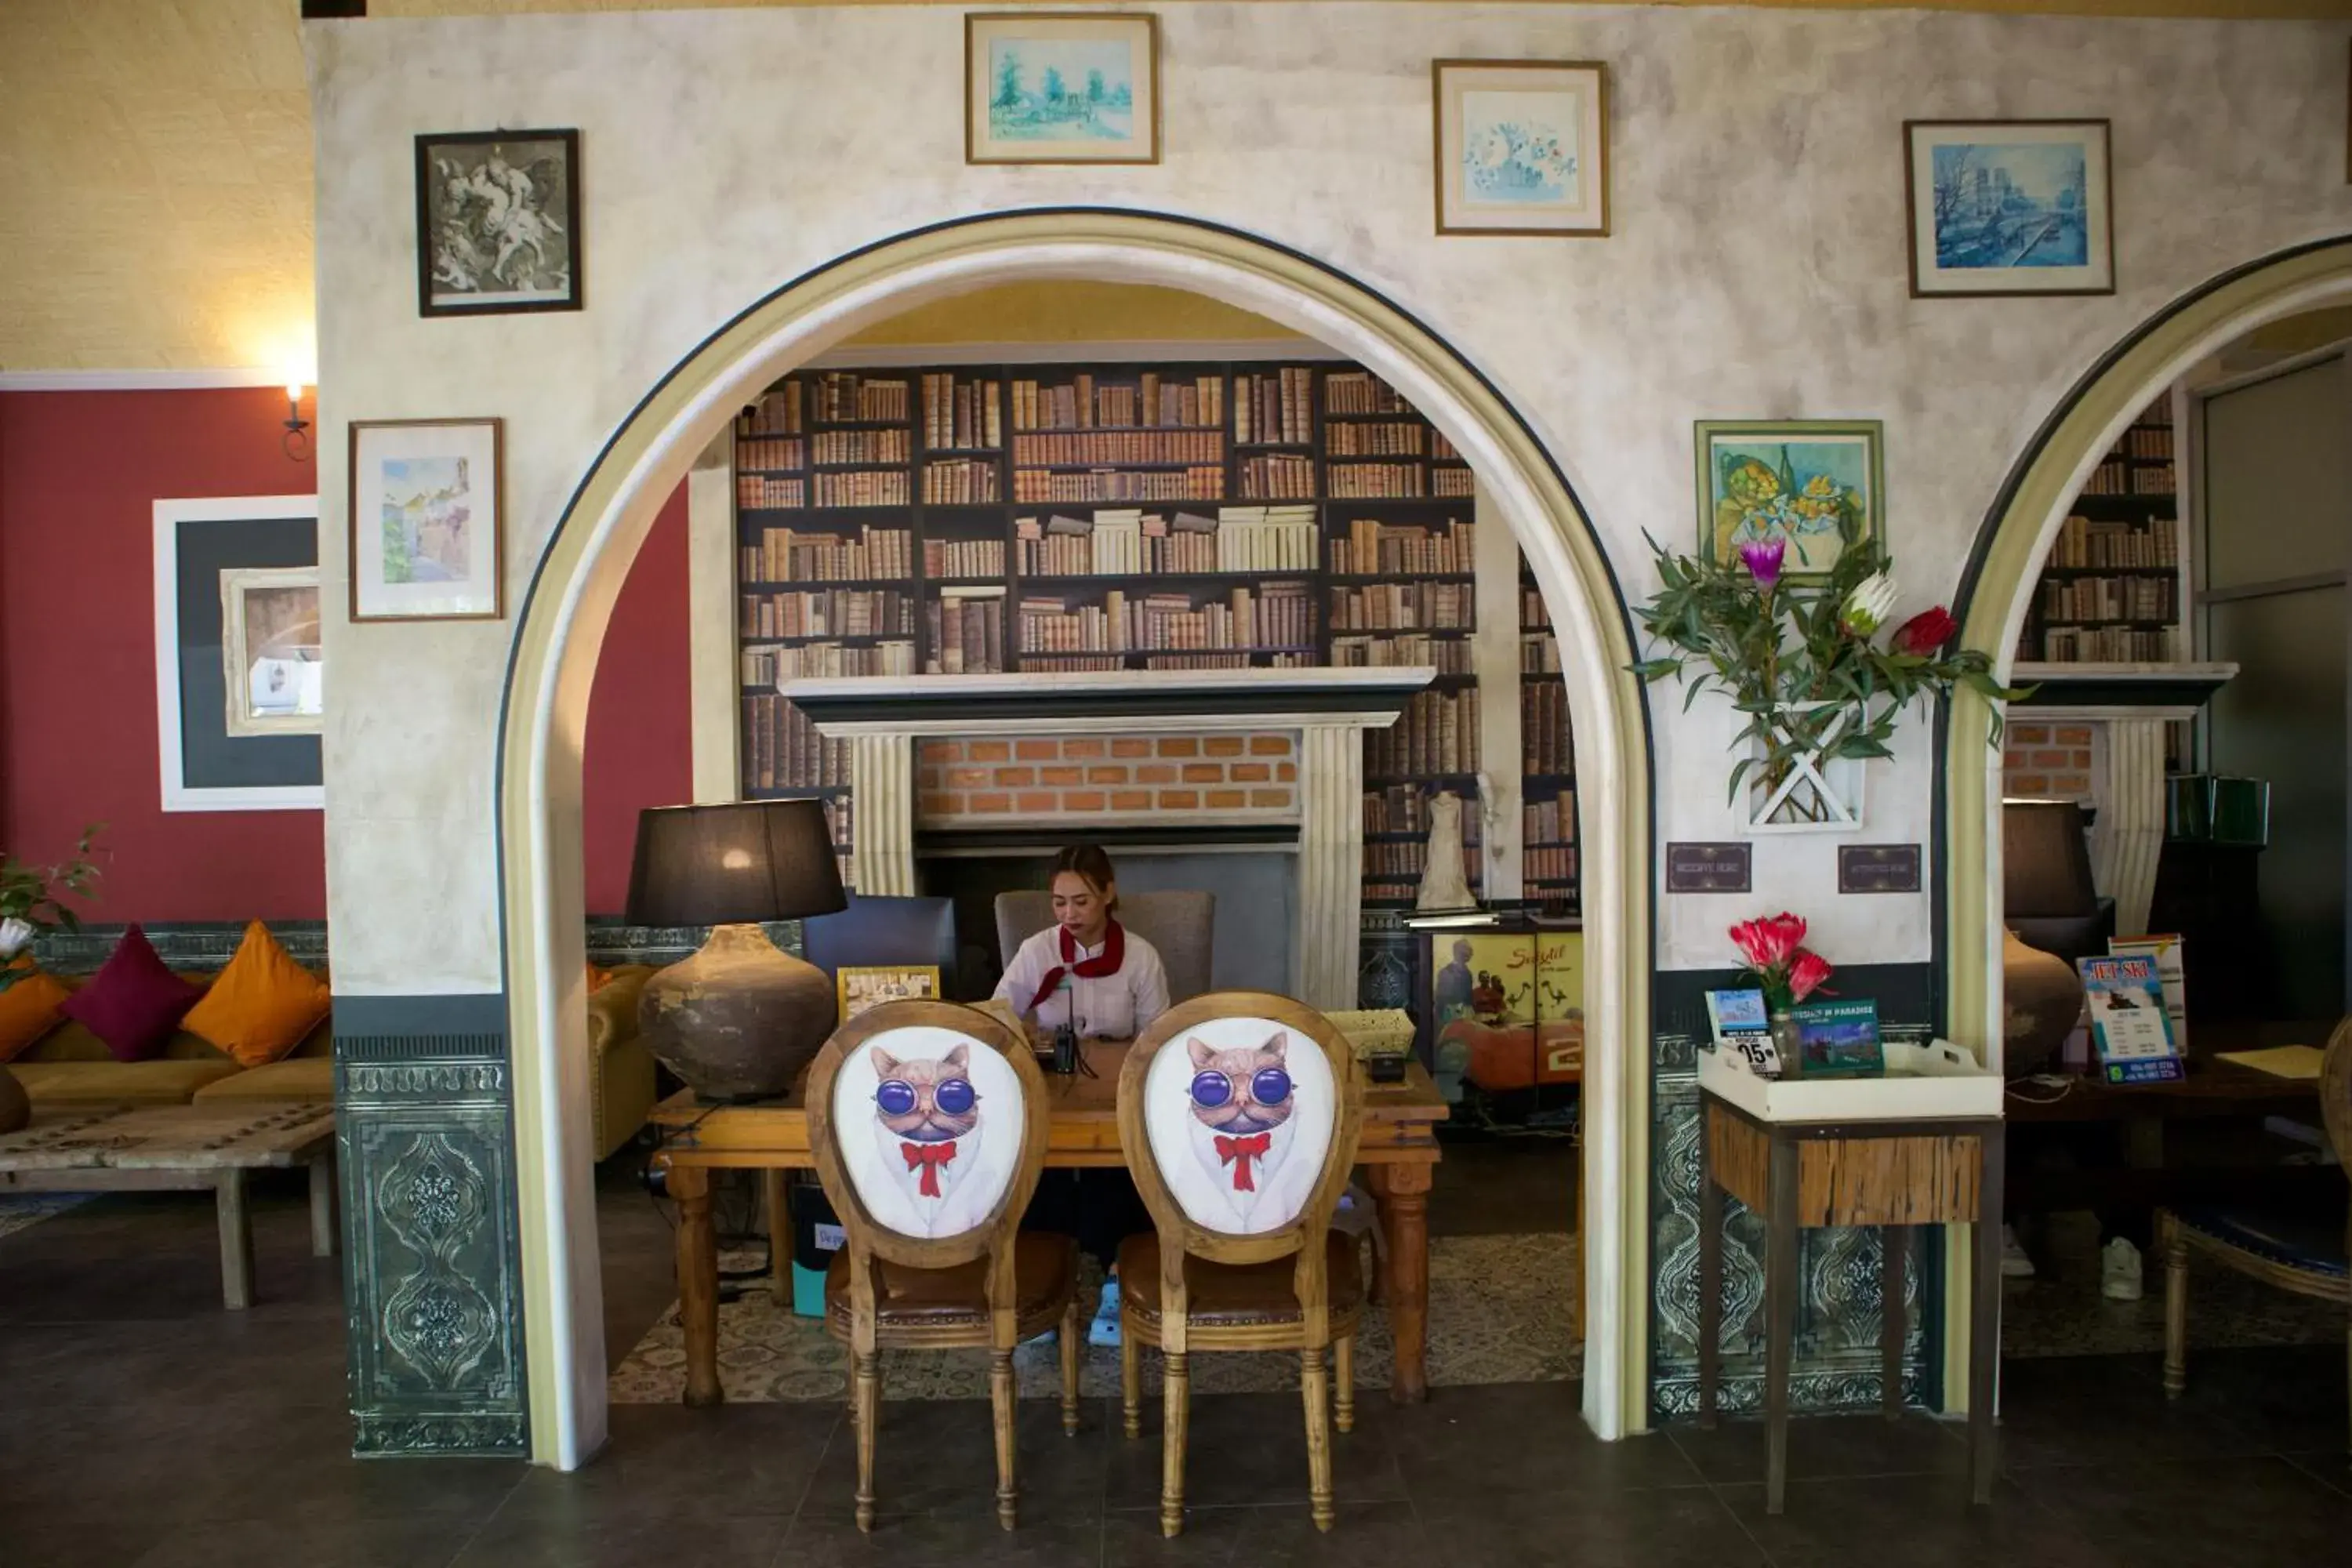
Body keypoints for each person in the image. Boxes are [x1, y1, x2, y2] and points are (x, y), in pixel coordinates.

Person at [995, 844, 1169, 1348]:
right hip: (1053, 1080)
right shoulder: (1038, 951)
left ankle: (1118, 1277)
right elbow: (1000, 1016)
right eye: (1059, 902)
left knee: (1119, 1161)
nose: (1069, 914)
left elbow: (1158, 1037)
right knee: (1037, 1158)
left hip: (1118, 1083)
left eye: (1081, 901)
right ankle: (1041, 1286)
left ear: (1108, 894)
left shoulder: (1140, 956)